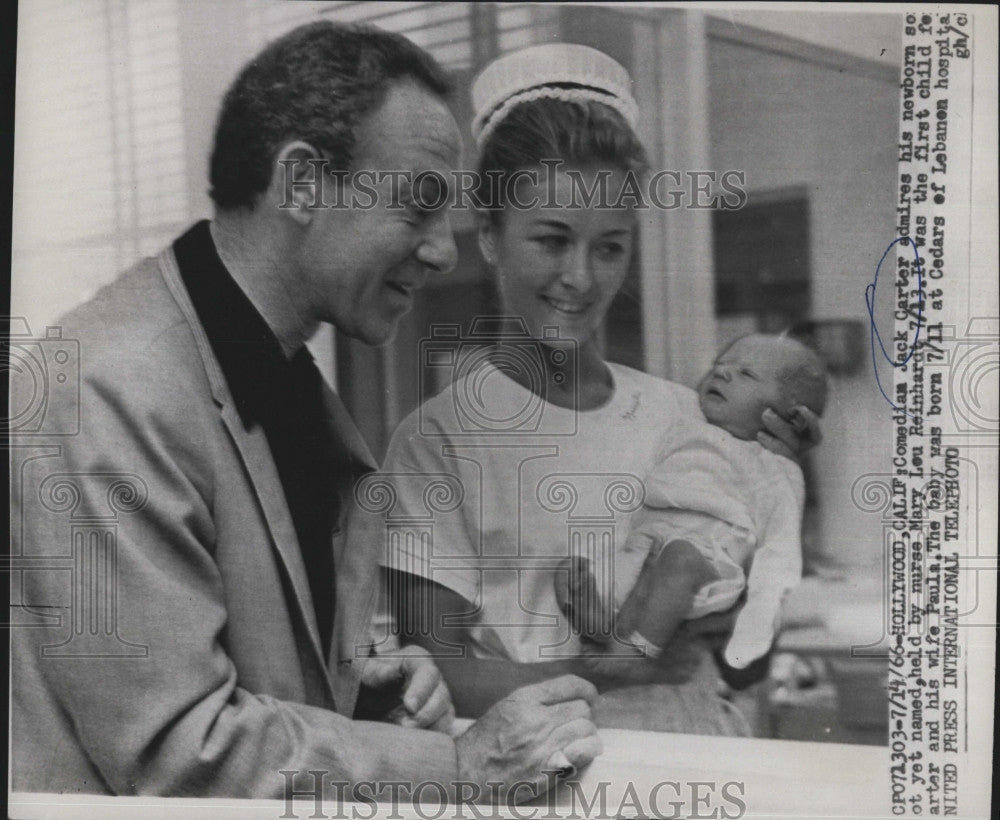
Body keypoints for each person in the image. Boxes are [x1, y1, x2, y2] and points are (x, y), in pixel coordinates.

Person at [10, 23, 601, 802]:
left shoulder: (277, 373)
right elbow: (177, 749)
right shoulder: (105, 384)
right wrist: (457, 767)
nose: (443, 252)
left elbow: (267, 678)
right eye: (419, 207)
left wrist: (369, 688)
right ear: (301, 183)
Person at [368, 44, 820, 733]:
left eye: (609, 246)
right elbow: (439, 677)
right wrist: (613, 670)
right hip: (542, 780)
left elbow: (745, 663)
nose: (580, 277)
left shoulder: (684, 415)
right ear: (489, 235)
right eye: (552, 239)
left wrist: (781, 484)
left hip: (695, 763)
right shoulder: (437, 443)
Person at [555, 333, 828, 676]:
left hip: (710, 562)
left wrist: (758, 614)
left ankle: (636, 655)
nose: (721, 374)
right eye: (719, 366)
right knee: (584, 567)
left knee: (678, 559)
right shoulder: (683, 425)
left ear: (792, 416)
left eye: (747, 374)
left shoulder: (774, 465)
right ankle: (601, 627)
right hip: (649, 544)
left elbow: (780, 545)